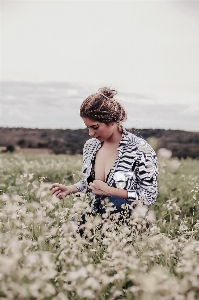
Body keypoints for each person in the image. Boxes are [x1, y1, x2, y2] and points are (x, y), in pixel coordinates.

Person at [50, 87, 158, 231]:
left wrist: (111, 191)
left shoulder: (140, 149)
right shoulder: (90, 146)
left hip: (129, 220)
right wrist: (70, 189)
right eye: (87, 127)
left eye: (95, 127)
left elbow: (149, 195)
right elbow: (90, 183)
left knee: (115, 203)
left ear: (112, 121)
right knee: (69, 233)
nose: (90, 133)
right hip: (96, 213)